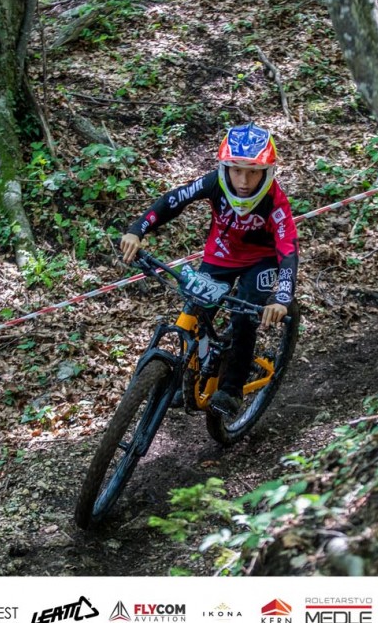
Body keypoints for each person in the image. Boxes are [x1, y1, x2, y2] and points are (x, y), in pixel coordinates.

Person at [120, 123, 299, 417]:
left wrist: (282, 297)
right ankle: (186, 376)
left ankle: (231, 389)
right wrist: (137, 229)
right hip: (221, 254)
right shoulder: (214, 182)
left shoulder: (274, 201)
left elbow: (288, 249)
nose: (244, 181)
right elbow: (174, 200)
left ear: (267, 172)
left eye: (253, 172)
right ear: (225, 168)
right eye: (237, 170)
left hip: (261, 261)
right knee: (195, 311)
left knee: (244, 318)